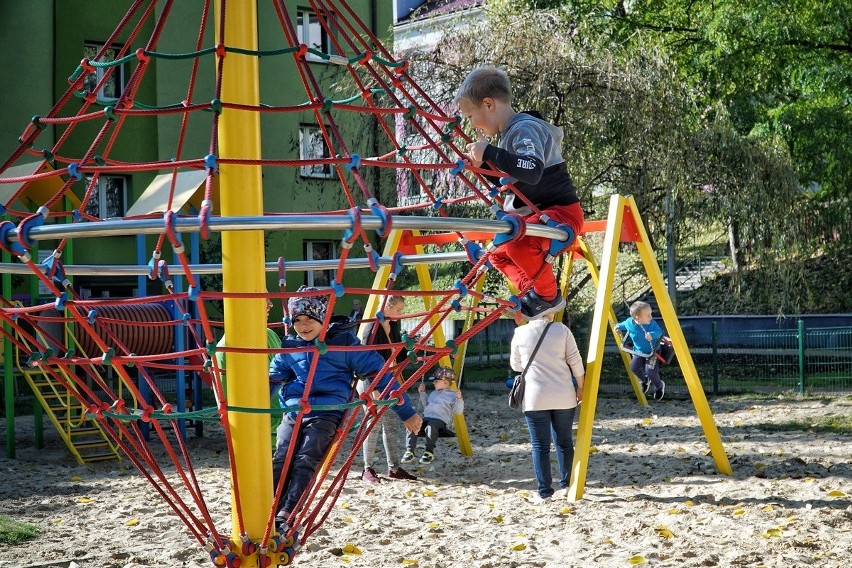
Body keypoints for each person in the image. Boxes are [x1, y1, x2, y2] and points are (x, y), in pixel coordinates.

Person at [269, 287, 422, 532]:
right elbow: (273, 378)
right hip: (294, 412)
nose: (303, 325)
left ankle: (289, 510)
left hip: (327, 412)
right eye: (297, 320)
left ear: (323, 318)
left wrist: (406, 411)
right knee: (281, 458)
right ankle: (271, 507)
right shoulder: (290, 345)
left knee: (305, 458)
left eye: (310, 319)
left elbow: (380, 376)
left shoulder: (344, 344)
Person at [456, 66, 584, 320]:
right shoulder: (507, 136)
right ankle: (533, 291)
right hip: (534, 217)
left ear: (489, 104)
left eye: (471, 116)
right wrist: (483, 168)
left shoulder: (524, 128)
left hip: (559, 214)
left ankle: (548, 296)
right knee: (498, 254)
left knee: (517, 244)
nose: (473, 125)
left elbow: (532, 170)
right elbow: (509, 184)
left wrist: (490, 153)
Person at [510, 314, 585, 502]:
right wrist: (581, 387)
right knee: (565, 441)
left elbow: (516, 365)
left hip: (535, 397)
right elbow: (576, 362)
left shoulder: (519, 332)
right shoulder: (562, 330)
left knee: (540, 445)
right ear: (548, 312)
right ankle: (568, 485)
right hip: (563, 394)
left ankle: (544, 492)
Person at [358, 295, 417, 483]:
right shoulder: (372, 327)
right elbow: (366, 359)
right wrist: (373, 388)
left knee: (390, 425)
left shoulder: (392, 326)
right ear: (386, 307)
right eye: (398, 310)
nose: (400, 314)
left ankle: (394, 467)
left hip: (389, 380)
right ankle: (367, 468)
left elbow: (394, 355)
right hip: (371, 382)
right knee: (373, 425)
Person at [215, 296, 283, 433]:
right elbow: (233, 411)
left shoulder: (269, 335)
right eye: (263, 297)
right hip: (259, 437)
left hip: (288, 427)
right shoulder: (227, 348)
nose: (270, 304)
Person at [401, 366, 464, 466]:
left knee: (431, 426)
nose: (433, 383)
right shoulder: (433, 393)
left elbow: (459, 411)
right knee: (413, 423)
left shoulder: (452, 395)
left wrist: (459, 398)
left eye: (436, 381)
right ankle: (409, 451)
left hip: (439, 421)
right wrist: (422, 393)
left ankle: (429, 452)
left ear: (445, 382)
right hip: (427, 418)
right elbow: (426, 405)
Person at [616, 301, 665, 401]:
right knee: (633, 367)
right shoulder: (629, 323)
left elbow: (659, 332)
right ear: (637, 318)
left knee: (650, 371)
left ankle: (659, 386)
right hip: (639, 352)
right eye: (647, 315)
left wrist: (651, 335)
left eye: (651, 314)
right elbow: (621, 325)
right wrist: (616, 327)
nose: (651, 317)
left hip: (653, 352)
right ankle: (644, 380)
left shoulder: (652, 324)